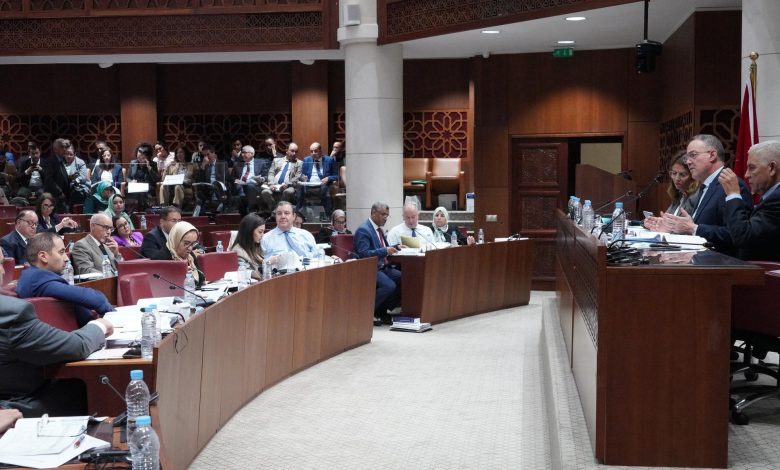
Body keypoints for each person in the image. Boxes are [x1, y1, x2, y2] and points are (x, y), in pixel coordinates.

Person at [0, 294, 112, 417]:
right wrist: (99, 326)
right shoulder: (9, 313)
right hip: (14, 409)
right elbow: (77, 346)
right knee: (90, 387)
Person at [649, 134, 753, 255]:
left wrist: (693, 228)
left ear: (712, 155)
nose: (688, 162)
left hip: (720, 262)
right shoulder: (706, 186)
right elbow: (696, 229)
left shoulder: (730, 185)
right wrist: (673, 227)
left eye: (693, 155)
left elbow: (735, 235)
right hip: (698, 258)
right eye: (687, 157)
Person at [16, 232, 113, 326]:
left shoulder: (31, 275)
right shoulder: (39, 279)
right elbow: (94, 299)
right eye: (61, 252)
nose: (66, 258)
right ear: (43, 257)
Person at [719, 140, 780, 261]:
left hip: (764, 271)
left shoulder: (777, 199)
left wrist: (733, 194)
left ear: (772, 168)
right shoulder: (771, 196)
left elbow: (743, 237)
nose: (746, 175)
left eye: (752, 168)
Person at [354, 202, 403, 325]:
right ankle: (365, 312)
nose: (385, 217)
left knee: (404, 279)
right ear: (373, 213)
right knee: (389, 286)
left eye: (387, 215)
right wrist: (385, 251)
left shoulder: (378, 230)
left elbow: (382, 247)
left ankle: (381, 311)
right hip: (369, 268)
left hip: (382, 267)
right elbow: (363, 254)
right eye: (383, 214)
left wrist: (396, 247)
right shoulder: (364, 230)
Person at [150, 221, 204, 288]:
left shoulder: (190, 256)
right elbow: (160, 286)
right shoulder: (161, 257)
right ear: (176, 240)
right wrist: (181, 273)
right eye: (186, 243)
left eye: (193, 244)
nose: (190, 248)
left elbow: (201, 280)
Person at [297, 142, 339, 217]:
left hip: (322, 184)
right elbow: (302, 175)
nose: (313, 153)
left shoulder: (329, 160)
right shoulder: (307, 160)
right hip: (309, 185)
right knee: (300, 188)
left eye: (315, 151)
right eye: (311, 151)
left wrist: (328, 178)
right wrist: (303, 178)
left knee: (325, 189)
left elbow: (337, 176)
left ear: (320, 151)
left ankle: (326, 215)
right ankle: (299, 215)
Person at [261, 143, 302, 213]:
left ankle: (276, 212)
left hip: (289, 186)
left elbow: (297, 177)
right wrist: (271, 183)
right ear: (286, 150)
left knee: (288, 192)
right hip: (274, 185)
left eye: (296, 151)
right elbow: (271, 173)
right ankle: (275, 210)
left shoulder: (299, 163)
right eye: (292, 151)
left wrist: (287, 184)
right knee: (265, 192)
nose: (294, 153)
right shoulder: (276, 160)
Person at [233, 145, 269, 215]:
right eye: (242, 153)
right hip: (240, 185)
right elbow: (232, 177)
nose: (242, 154)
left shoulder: (261, 163)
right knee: (239, 186)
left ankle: (250, 208)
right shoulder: (237, 164)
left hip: (255, 186)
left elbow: (266, 176)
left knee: (249, 186)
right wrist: (237, 180)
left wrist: (261, 179)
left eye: (244, 152)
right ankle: (248, 207)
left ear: (252, 154)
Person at [230, 213, 266, 280]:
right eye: (260, 232)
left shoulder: (258, 246)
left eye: (263, 232)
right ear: (249, 231)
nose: (262, 235)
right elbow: (243, 273)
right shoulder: (238, 251)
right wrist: (268, 263)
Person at [664, 151, 700, 216]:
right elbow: (667, 217)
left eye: (682, 175)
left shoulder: (695, 197)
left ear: (693, 176)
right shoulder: (679, 195)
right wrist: (658, 220)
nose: (677, 179)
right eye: (674, 173)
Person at [128, 143, 160, 210]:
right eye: (139, 152)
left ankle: (141, 210)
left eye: (143, 155)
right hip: (135, 186)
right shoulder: (133, 163)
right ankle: (138, 210)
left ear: (147, 156)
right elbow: (128, 178)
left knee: (141, 192)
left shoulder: (153, 164)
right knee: (137, 191)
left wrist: (149, 168)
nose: (140, 156)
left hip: (148, 187)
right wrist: (131, 181)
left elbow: (157, 179)